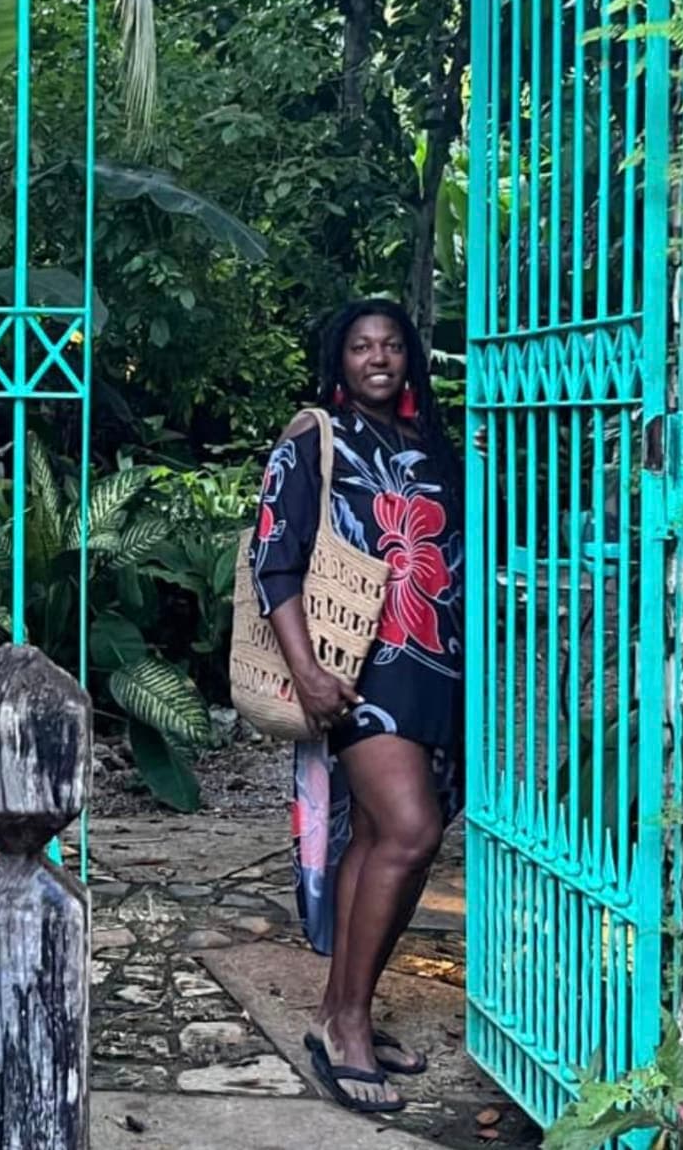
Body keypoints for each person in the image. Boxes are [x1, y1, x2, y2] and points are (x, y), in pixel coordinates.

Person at [249, 298, 465, 1115]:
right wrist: (305, 671)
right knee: (412, 832)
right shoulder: (316, 437)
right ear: (339, 359)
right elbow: (276, 556)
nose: (378, 358)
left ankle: (346, 1014)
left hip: (435, 665)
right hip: (359, 669)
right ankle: (343, 1022)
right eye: (361, 347)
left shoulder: (431, 442)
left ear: (410, 358)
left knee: (381, 836)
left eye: (393, 346)